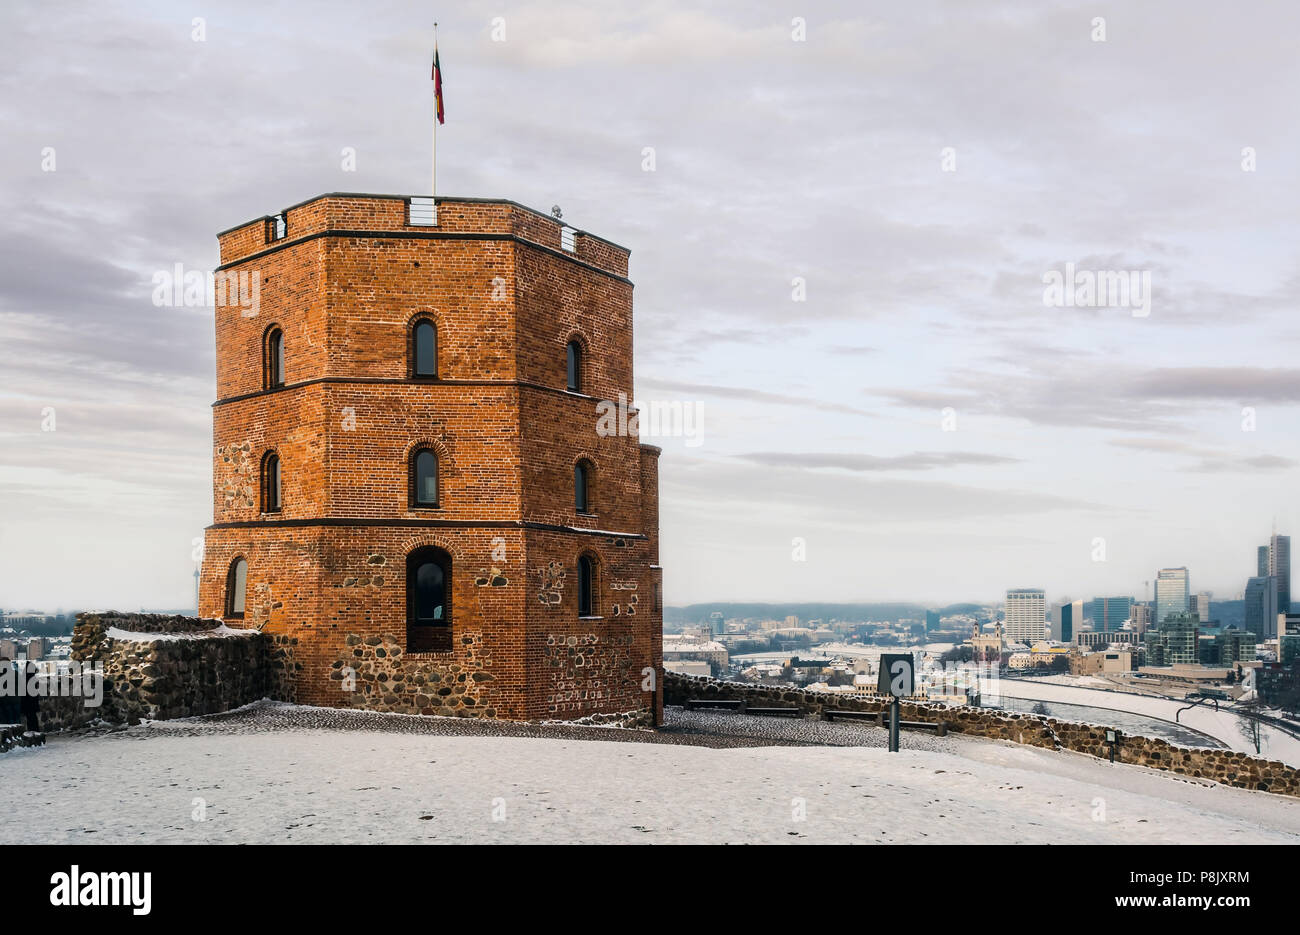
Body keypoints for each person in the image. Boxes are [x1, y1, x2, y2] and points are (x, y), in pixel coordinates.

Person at [19, 661, 40, 732]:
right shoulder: (32, 678)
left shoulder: (24, 678)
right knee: (33, 718)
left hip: (27, 702)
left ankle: (32, 731)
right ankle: (35, 731)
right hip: (31, 702)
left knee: (30, 718)